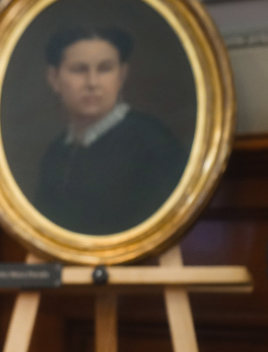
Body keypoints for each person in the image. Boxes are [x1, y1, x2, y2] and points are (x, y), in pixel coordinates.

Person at [32, 26, 188, 235]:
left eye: (105, 69)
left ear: (122, 75)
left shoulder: (154, 143)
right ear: (54, 79)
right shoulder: (55, 153)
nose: (93, 83)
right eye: (79, 69)